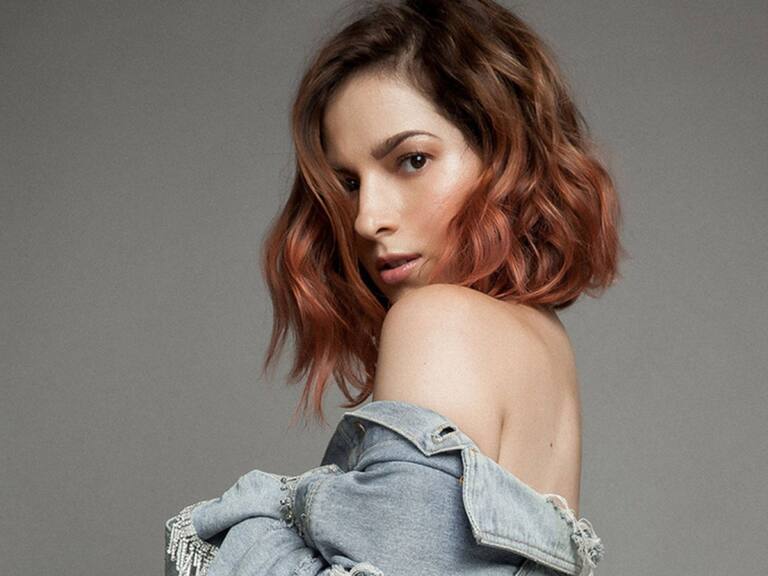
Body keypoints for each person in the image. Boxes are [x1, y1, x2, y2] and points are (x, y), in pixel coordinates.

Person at [165, 1, 623, 575]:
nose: (366, 219)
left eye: (412, 160)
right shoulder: (542, 343)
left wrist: (250, 523)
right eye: (348, 183)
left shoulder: (439, 321)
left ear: (504, 154)